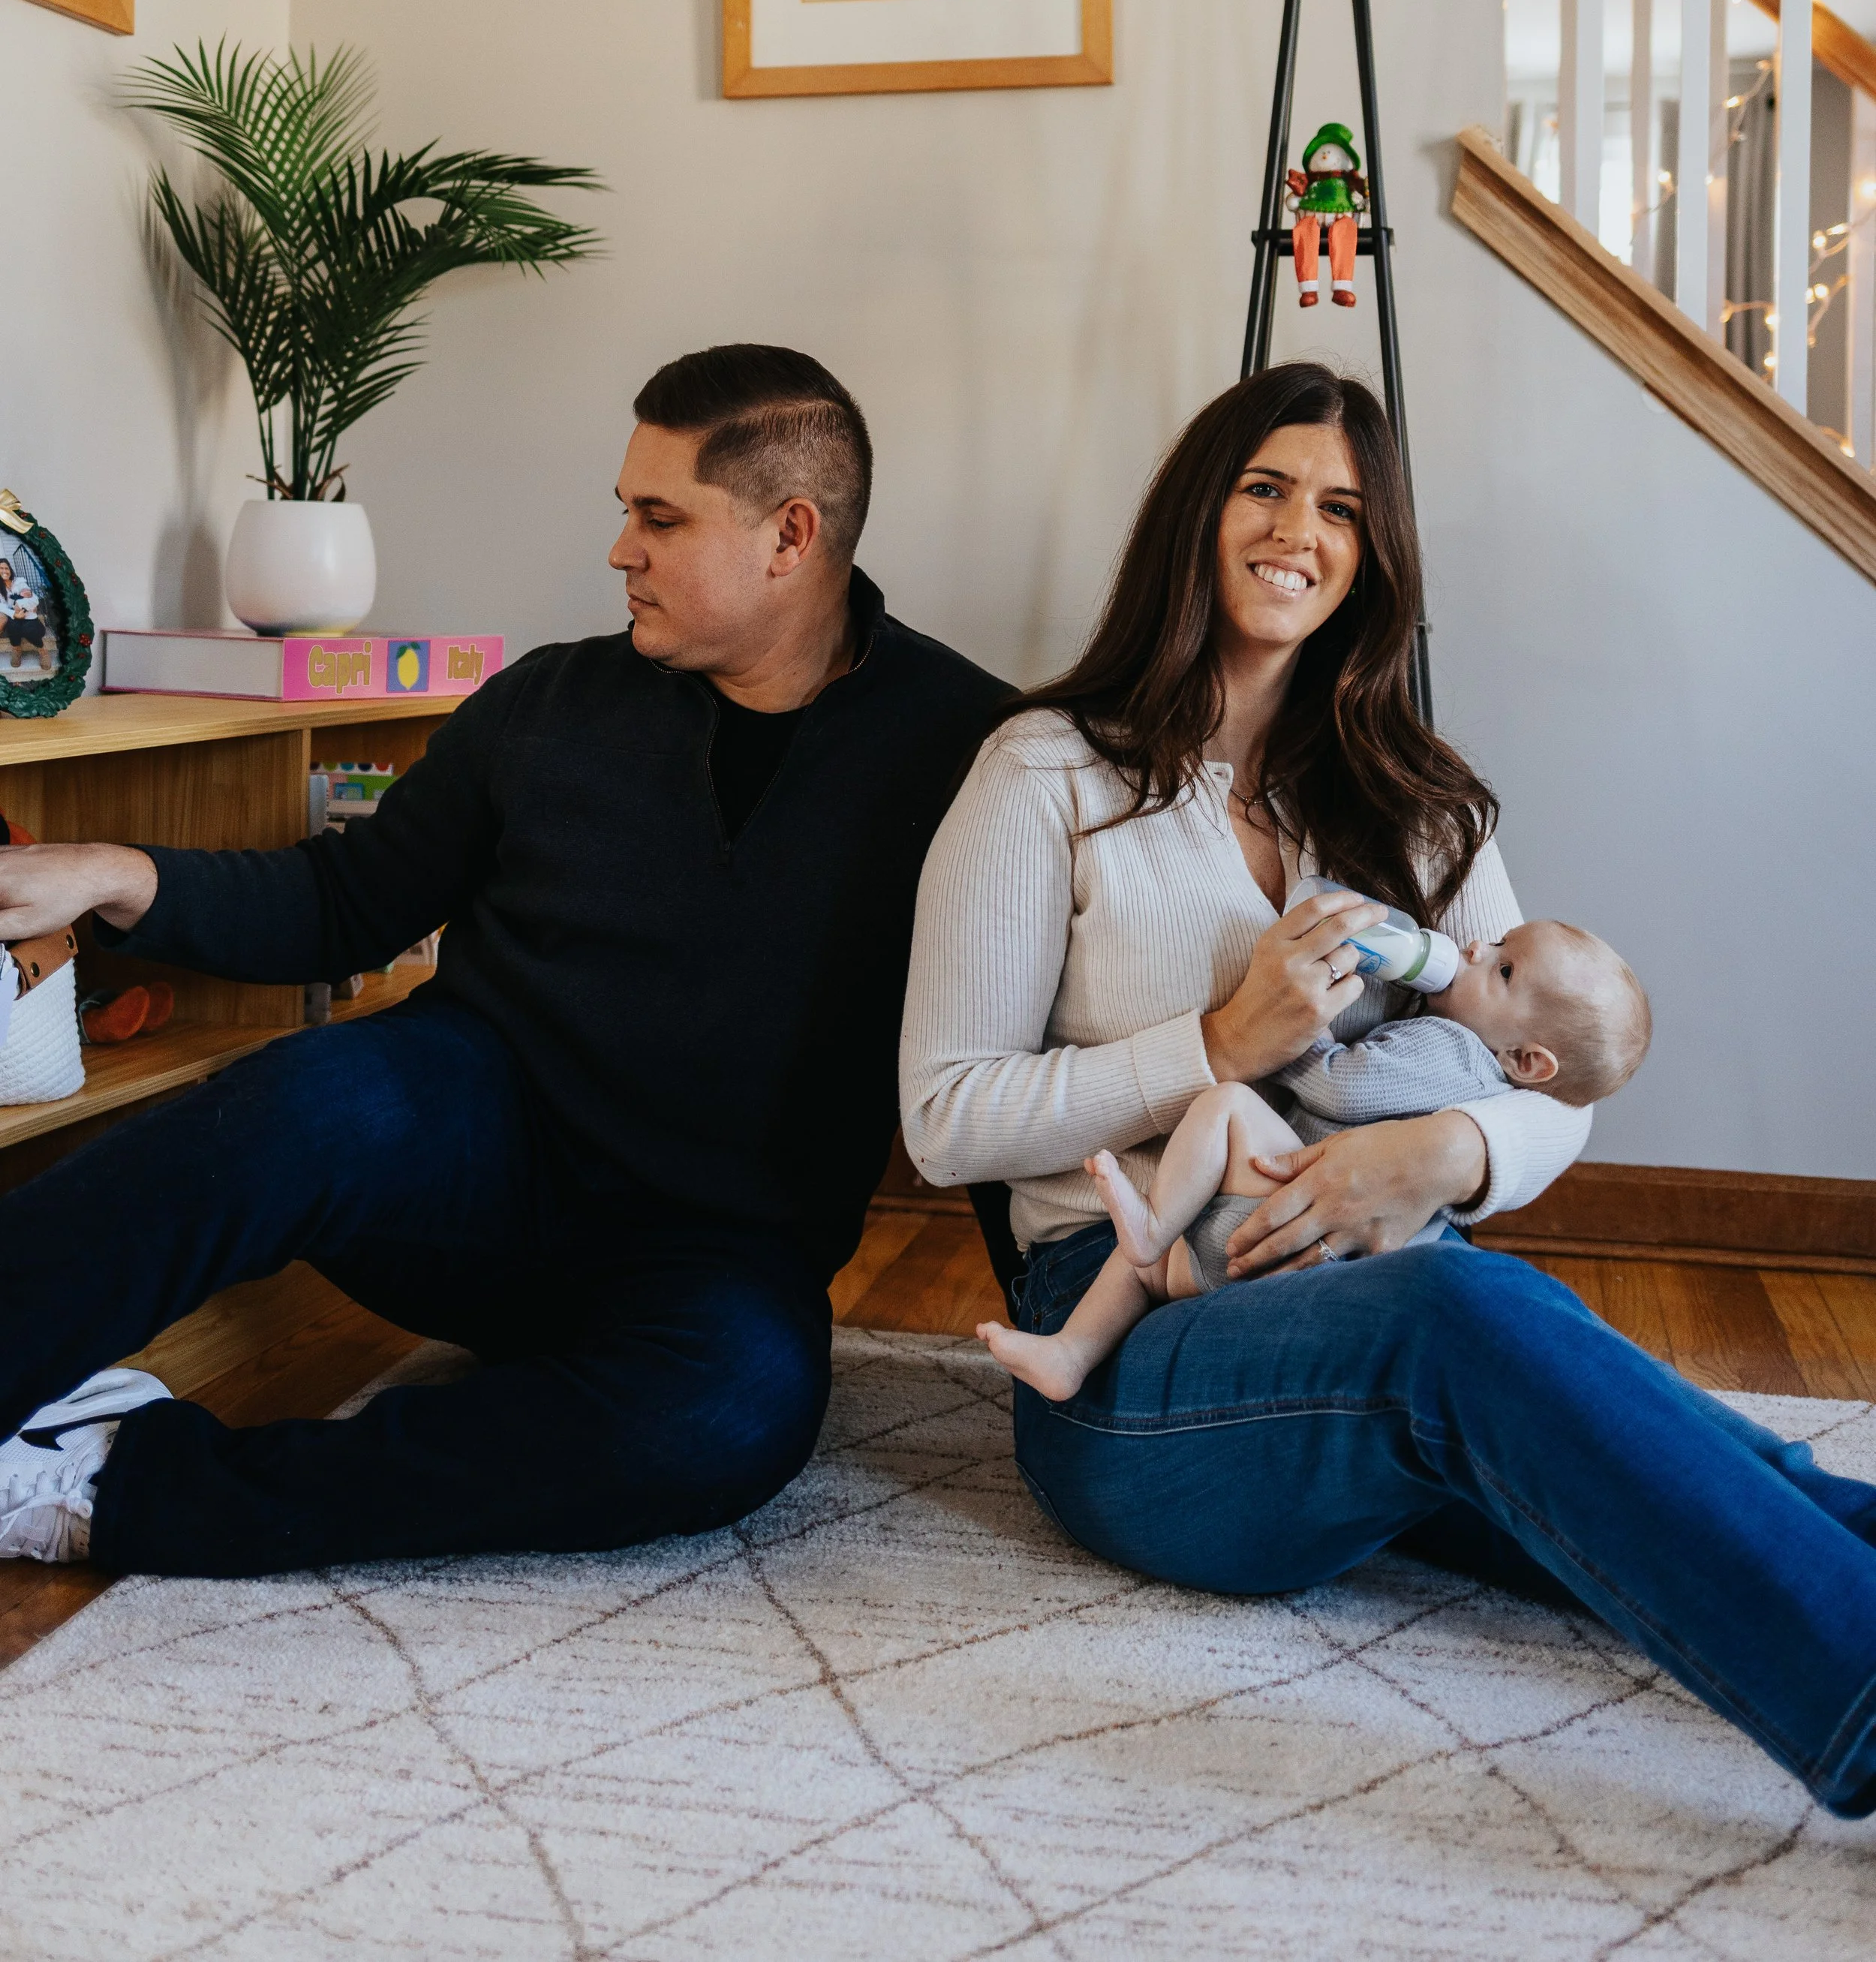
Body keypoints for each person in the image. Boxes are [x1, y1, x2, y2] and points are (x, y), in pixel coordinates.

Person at [901, 360, 1876, 1817]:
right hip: (1130, 1342)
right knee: (1471, 1322)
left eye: (1341, 509)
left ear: (1372, 558)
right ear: (1196, 510)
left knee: (1644, 1439)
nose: (1299, 528)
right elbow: (944, 1120)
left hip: (1371, 1295)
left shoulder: (1409, 796)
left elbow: (1554, 1083)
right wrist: (1214, 1050)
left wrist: (1439, 1156)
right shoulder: (1045, 773)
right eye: (1265, 486)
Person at [0, 345, 1008, 1575]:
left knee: (730, 1419)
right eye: (623, 511)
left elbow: (1012, 1052)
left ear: (789, 536)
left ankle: (114, 1484)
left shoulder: (974, 755)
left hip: (711, 1254)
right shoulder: (548, 704)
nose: (619, 549)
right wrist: (117, 874)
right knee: (303, 1100)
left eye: (659, 517)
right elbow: (343, 902)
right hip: (465, 1164)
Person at [981, 916, 1652, 1401]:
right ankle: (1070, 1352)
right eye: (1500, 941)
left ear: (1529, 1062)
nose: (1476, 943)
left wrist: (1297, 1029)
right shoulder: (1489, 1061)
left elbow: (1344, 1084)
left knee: (1227, 1108)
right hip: (1312, 1251)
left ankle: (1128, 1266)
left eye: (1502, 967)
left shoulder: (1453, 1050)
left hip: (1280, 1210)